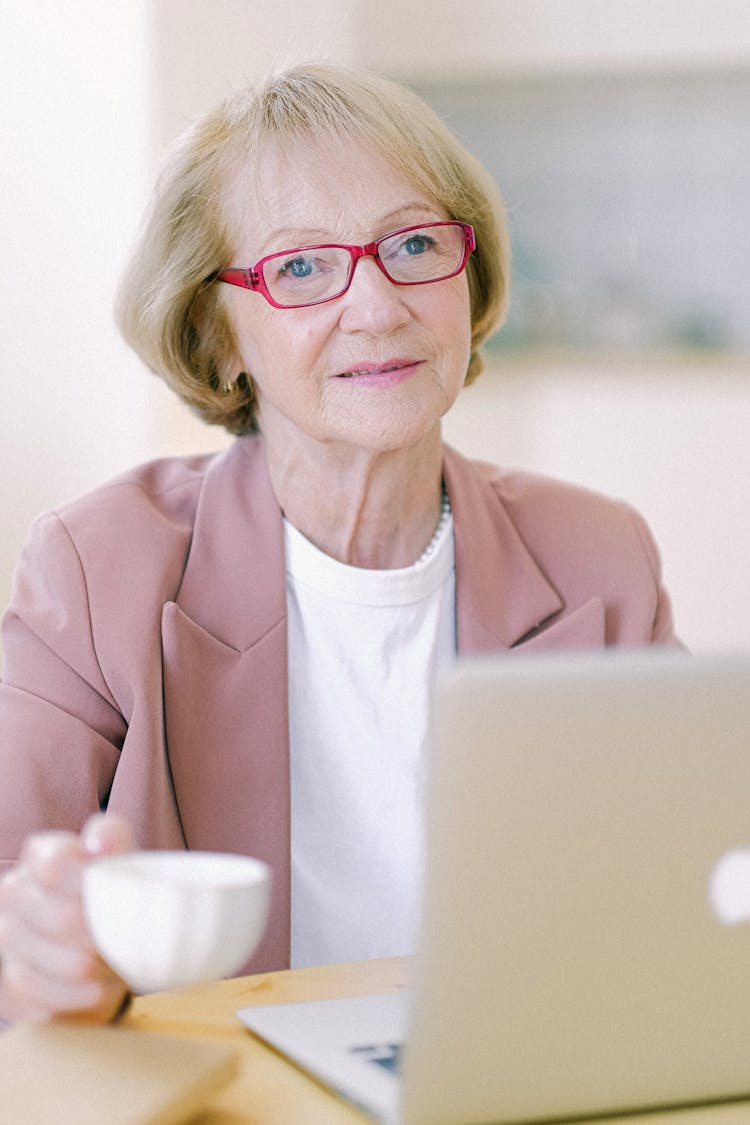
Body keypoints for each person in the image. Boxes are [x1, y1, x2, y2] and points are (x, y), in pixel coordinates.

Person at [0, 62, 680, 1025]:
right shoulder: (96, 564)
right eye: (302, 267)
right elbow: (10, 897)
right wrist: (35, 945)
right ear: (217, 331)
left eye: (412, 243)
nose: (377, 306)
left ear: (468, 275)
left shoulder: (598, 556)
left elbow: (688, 886)